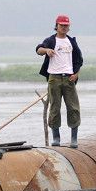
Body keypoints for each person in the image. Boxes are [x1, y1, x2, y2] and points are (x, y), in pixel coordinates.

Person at [36, 14, 84, 147]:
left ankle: (74, 139)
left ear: (69, 27)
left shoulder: (71, 41)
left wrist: (76, 74)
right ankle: (56, 138)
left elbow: (79, 60)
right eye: (61, 25)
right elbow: (38, 50)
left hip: (69, 78)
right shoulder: (51, 40)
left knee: (73, 107)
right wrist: (46, 50)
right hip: (54, 78)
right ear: (56, 26)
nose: (64, 27)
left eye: (66, 25)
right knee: (55, 108)